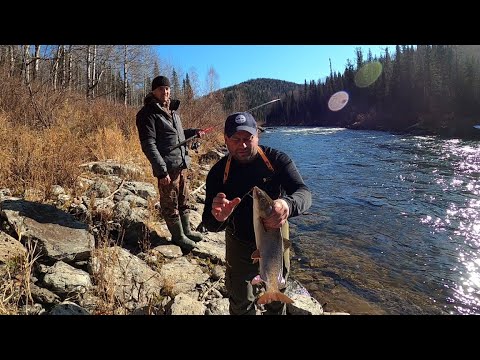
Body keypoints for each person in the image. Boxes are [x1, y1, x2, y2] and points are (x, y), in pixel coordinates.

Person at [202, 111, 312, 315]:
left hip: (276, 237)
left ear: (257, 137)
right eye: (235, 139)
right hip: (239, 241)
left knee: (277, 292)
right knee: (240, 299)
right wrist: (219, 218)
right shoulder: (218, 173)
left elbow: (304, 193)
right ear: (225, 139)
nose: (242, 145)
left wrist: (287, 204)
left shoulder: (277, 160)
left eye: (248, 138)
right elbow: (208, 223)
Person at [136, 75, 204, 252]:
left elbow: (178, 135)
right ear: (153, 91)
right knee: (169, 204)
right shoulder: (146, 114)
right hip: (167, 168)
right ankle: (178, 237)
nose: (165, 91)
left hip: (181, 165)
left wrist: (194, 132)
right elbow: (148, 145)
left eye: (167, 88)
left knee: (183, 200)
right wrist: (161, 172)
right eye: (160, 89)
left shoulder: (174, 112)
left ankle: (187, 231)